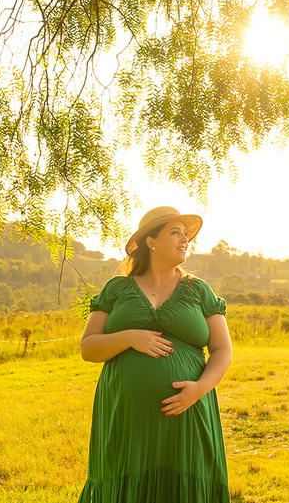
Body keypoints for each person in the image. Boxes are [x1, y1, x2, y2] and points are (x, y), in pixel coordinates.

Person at [76, 206, 233, 502]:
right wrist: (129, 337)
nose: (185, 240)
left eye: (186, 234)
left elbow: (223, 350)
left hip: (187, 410)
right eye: (175, 233)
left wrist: (199, 389)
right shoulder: (117, 288)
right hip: (127, 415)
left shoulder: (199, 290)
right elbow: (88, 348)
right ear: (151, 241)